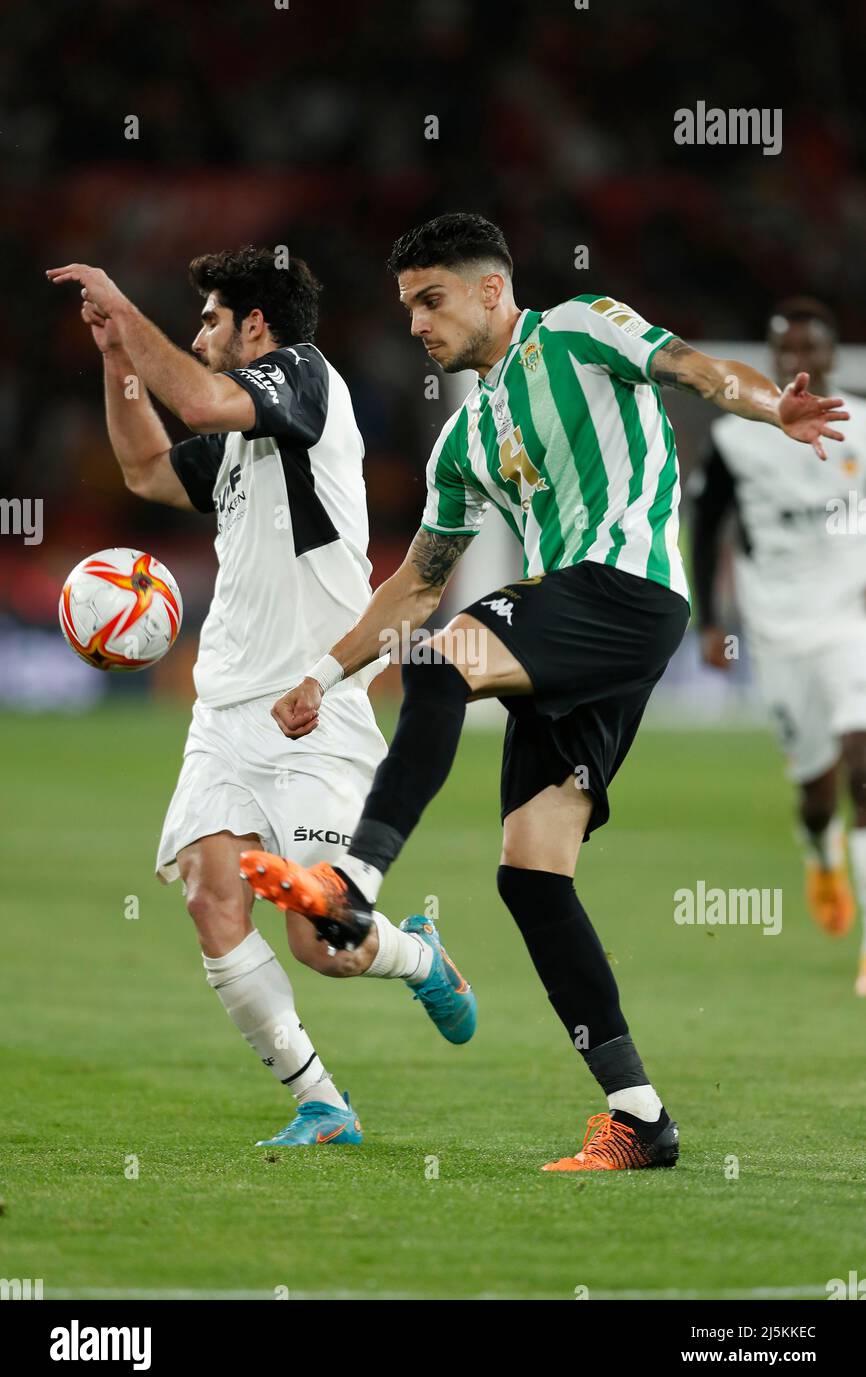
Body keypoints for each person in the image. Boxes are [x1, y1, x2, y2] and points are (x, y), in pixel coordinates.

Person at [240, 213, 848, 1172]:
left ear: (491, 289)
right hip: (575, 637)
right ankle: (640, 1117)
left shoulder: (581, 326)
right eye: (406, 307)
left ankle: (355, 882)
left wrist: (776, 408)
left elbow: (694, 368)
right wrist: (321, 676)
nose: (416, 325)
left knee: (441, 664)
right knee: (531, 874)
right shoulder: (462, 441)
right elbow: (415, 581)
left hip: (628, 590)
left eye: (430, 300)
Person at [46, 245, 476, 1149]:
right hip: (226, 714)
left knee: (322, 942)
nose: (198, 334)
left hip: (314, 708)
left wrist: (125, 310)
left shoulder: (305, 381)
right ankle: (322, 1104)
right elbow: (149, 471)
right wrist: (119, 362)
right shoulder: (247, 438)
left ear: (255, 325)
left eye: (208, 317)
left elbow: (199, 399)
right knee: (211, 899)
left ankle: (417, 955)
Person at [692, 297, 866, 994]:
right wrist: (711, 620)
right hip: (780, 633)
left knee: (864, 764)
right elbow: (707, 528)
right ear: (772, 360)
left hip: (853, 622)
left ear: (830, 356)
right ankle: (820, 851)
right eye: (784, 352)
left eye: (809, 350)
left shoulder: (863, 424)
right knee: (818, 792)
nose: (798, 362)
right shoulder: (741, 436)